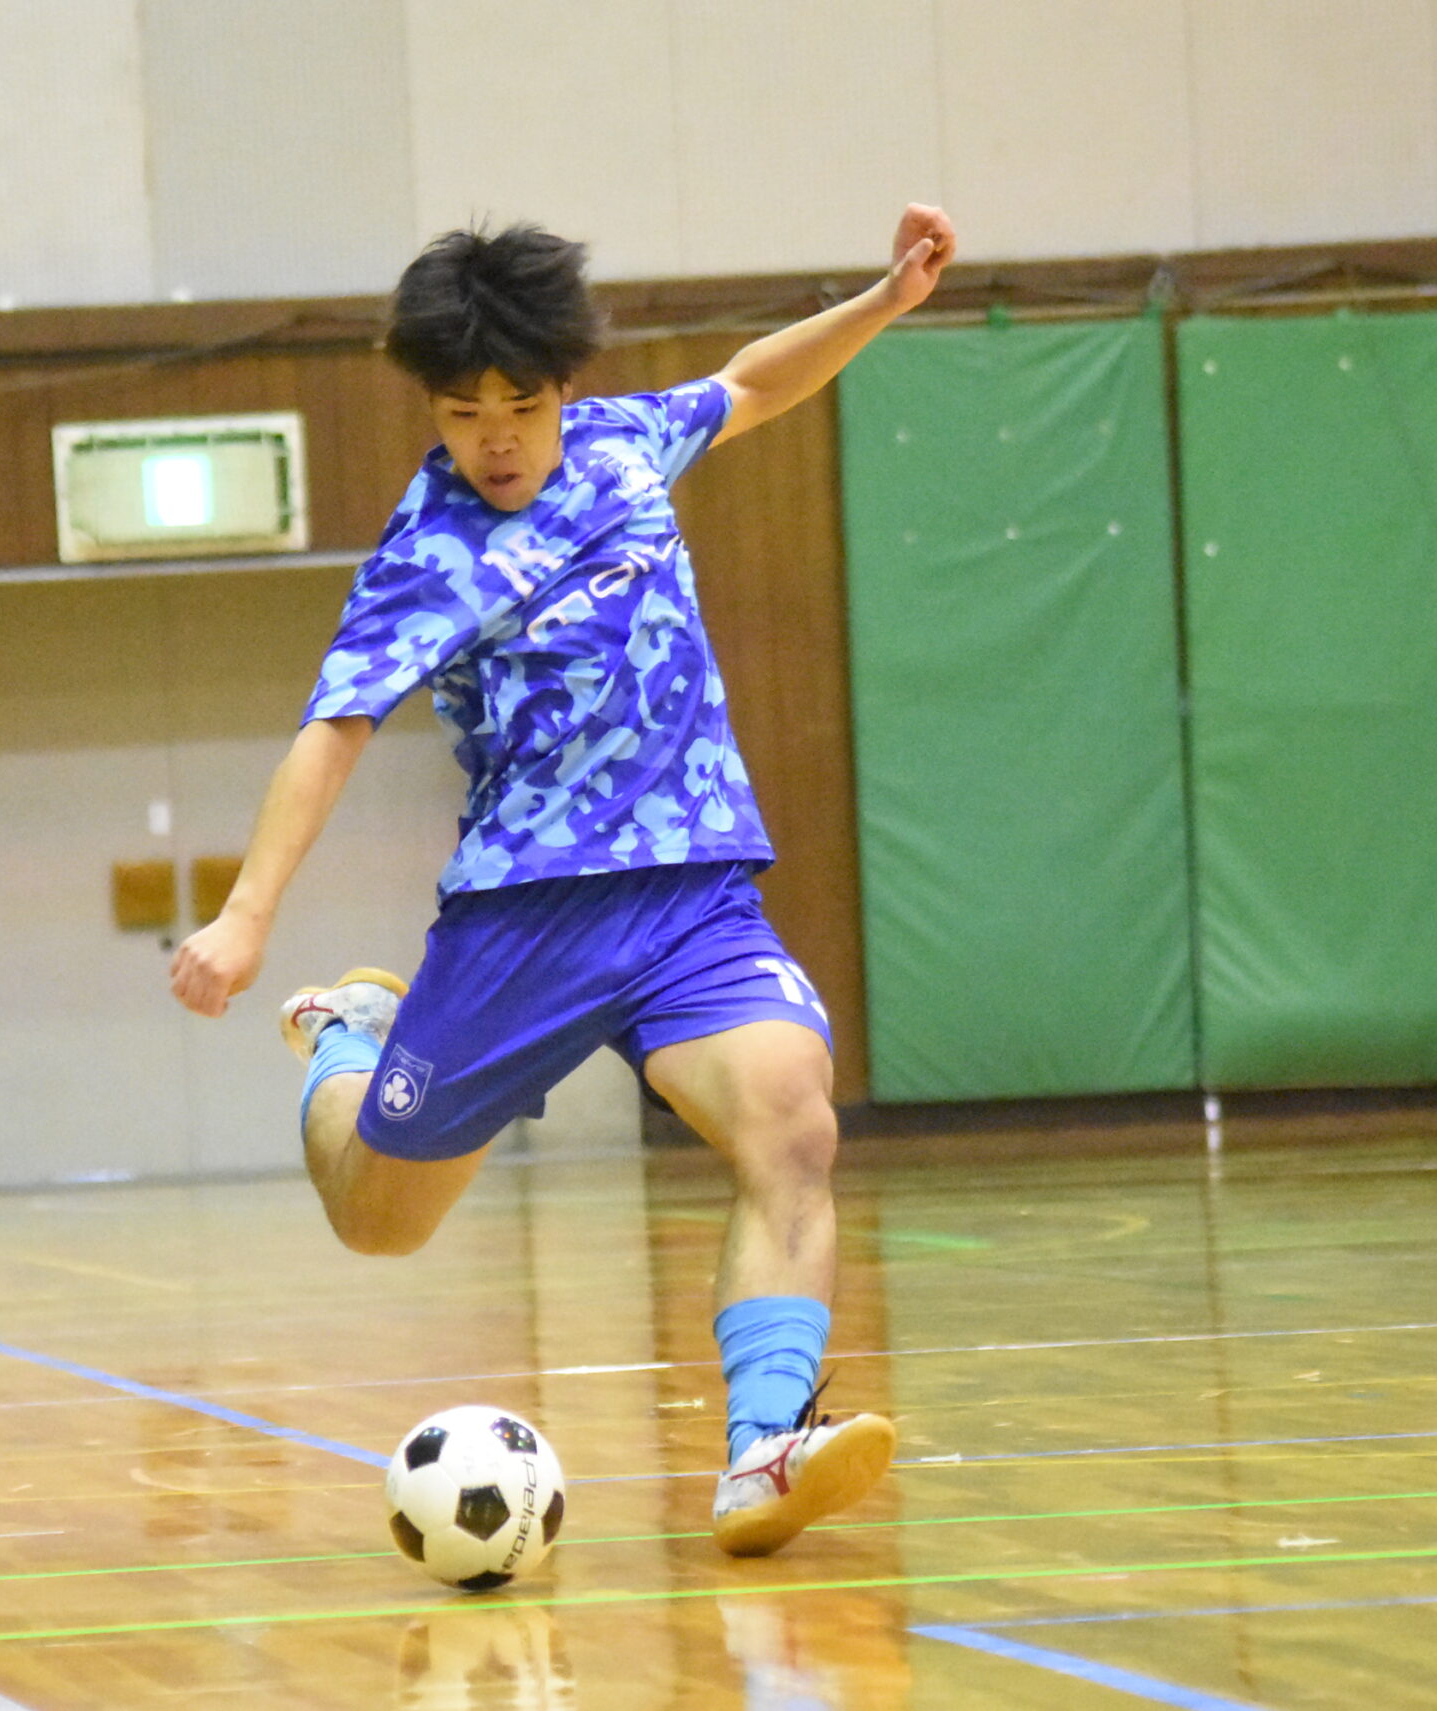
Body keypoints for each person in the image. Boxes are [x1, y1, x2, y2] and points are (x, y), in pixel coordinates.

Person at [171, 204, 957, 1557]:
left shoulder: (624, 446)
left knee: (792, 1122)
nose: (496, 439)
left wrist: (884, 301)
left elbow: (752, 383)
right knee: (378, 1221)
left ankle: (761, 1451)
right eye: (463, 413)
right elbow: (334, 729)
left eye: (521, 407)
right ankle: (349, 1040)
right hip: (523, 916)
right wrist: (247, 918)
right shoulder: (425, 553)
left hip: (691, 889)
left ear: (562, 388)